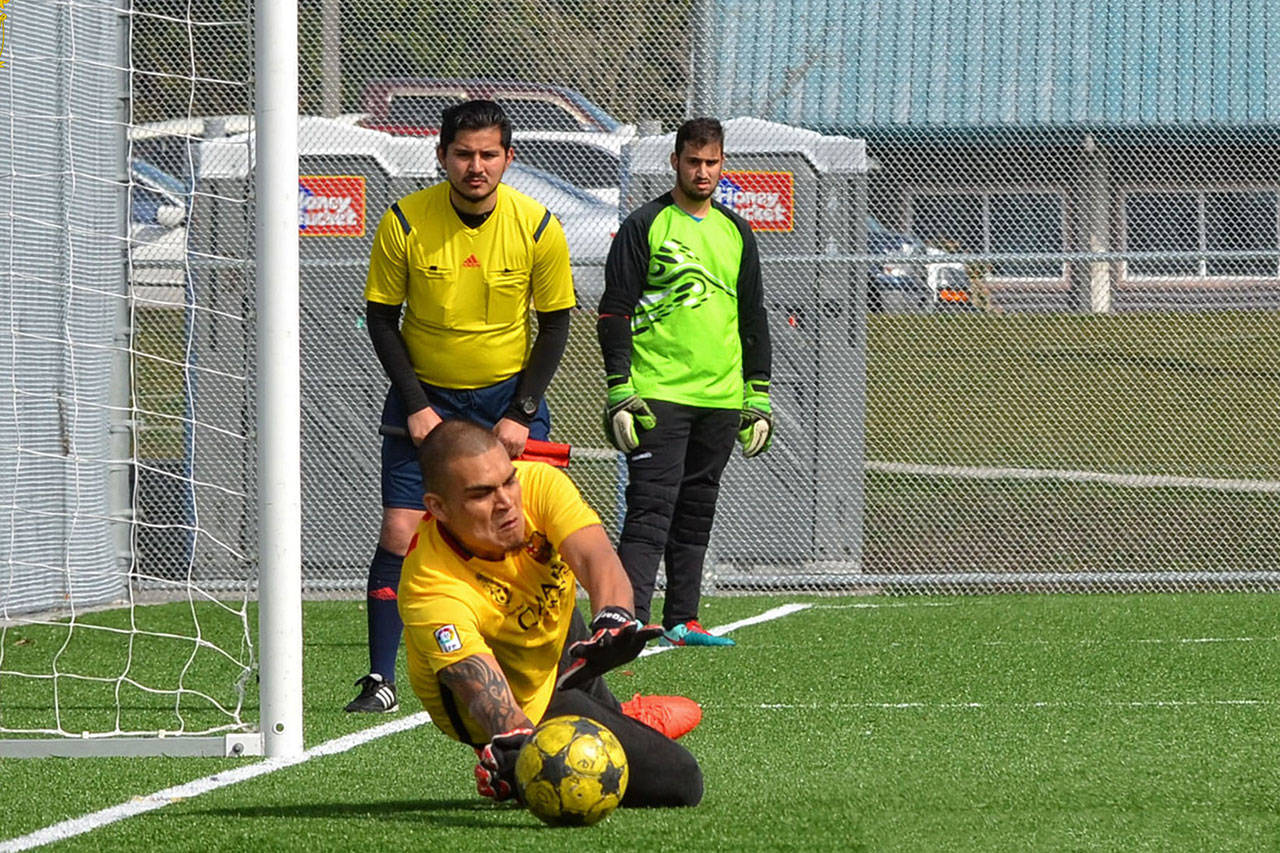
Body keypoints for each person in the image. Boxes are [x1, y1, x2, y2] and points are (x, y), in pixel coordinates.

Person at [349, 99, 577, 712]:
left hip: (509, 399)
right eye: (463, 154)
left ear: (508, 157)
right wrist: (418, 406)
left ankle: (561, 673)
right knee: (401, 530)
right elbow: (380, 318)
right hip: (426, 395)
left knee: (531, 534)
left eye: (488, 154)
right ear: (442, 156)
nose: (476, 166)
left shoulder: (537, 225)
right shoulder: (403, 220)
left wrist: (521, 413)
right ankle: (380, 679)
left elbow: (555, 325)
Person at [399, 419, 704, 807]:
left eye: (508, 481)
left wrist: (614, 618)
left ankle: (616, 716)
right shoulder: (430, 584)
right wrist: (520, 745)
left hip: (552, 638)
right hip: (517, 694)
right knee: (682, 781)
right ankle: (512, 765)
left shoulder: (538, 482)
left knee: (571, 613)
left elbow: (596, 557)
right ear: (437, 508)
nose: (507, 502)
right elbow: (483, 695)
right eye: (481, 495)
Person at [597, 117, 773, 647]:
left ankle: (683, 618)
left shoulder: (736, 230)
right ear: (674, 161)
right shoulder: (646, 225)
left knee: (697, 507)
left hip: (720, 396)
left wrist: (757, 394)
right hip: (657, 393)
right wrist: (618, 388)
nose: (702, 171)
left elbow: (753, 317)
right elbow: (614, 311)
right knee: (651, 506)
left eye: (712, 162)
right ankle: (626, 618)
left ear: (723, 164)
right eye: (693, 161)